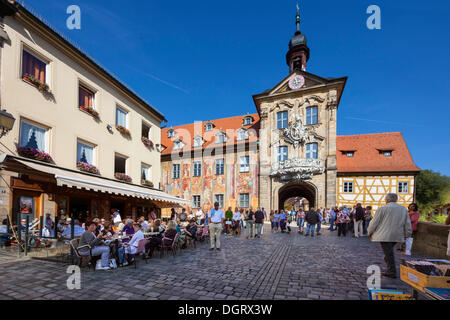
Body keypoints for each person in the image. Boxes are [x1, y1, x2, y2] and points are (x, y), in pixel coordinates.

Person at [368, 193, 412, 278]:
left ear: (387, 200)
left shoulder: (382, 209)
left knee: (388, 253)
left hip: (384, 235)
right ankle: (390, 269)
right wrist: (408, 233)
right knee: (388, 252)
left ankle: (391, 271)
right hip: (397, 234)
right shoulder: (403, 209)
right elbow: (407, 223)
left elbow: (374, 222)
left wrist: (370, 231)